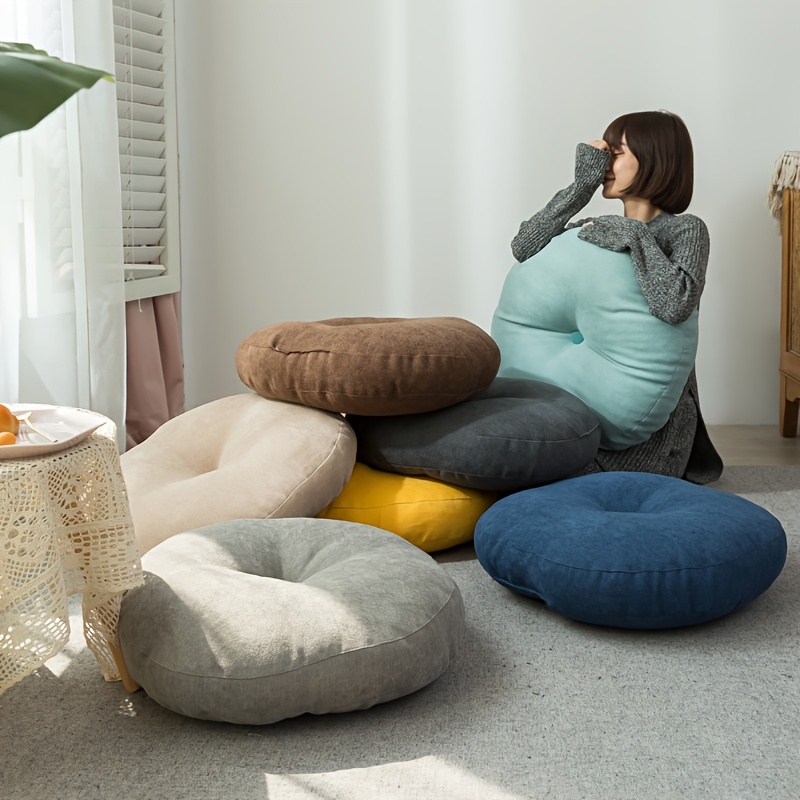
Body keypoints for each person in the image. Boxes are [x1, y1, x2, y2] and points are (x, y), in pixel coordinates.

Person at [510, 109, 722, 484]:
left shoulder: (686, 230)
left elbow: (675, 303)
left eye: (616, 153)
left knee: (541, 471)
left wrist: (634, 234)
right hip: (590, 407)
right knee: (517, 451)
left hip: (653, 433)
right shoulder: (598, 231)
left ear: (655, 158)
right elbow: (523, 246)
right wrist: (581, 185)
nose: (605, 163)